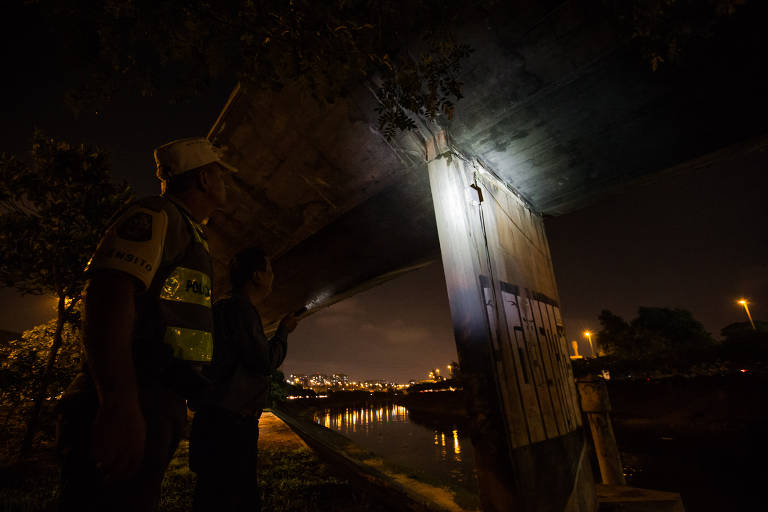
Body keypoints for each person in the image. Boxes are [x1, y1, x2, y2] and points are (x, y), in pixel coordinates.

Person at [56, 137, 236, 511]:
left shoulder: (189, 230)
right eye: (220, 175)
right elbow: (109, 294)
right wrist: (118, 401)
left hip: (157, 394)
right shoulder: (157, 216)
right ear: (204, 179)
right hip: (137, 393)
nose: (225, 183)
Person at [189, 246, 299, 512]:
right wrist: (283, 333)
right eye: (269, 270)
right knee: (238, 496)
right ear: (257, 276)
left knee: (210, 496)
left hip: (211, 419)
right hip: (232, 426)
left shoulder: (220, 308)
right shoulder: (242, 311)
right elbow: (264, 362)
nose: (273, 276)